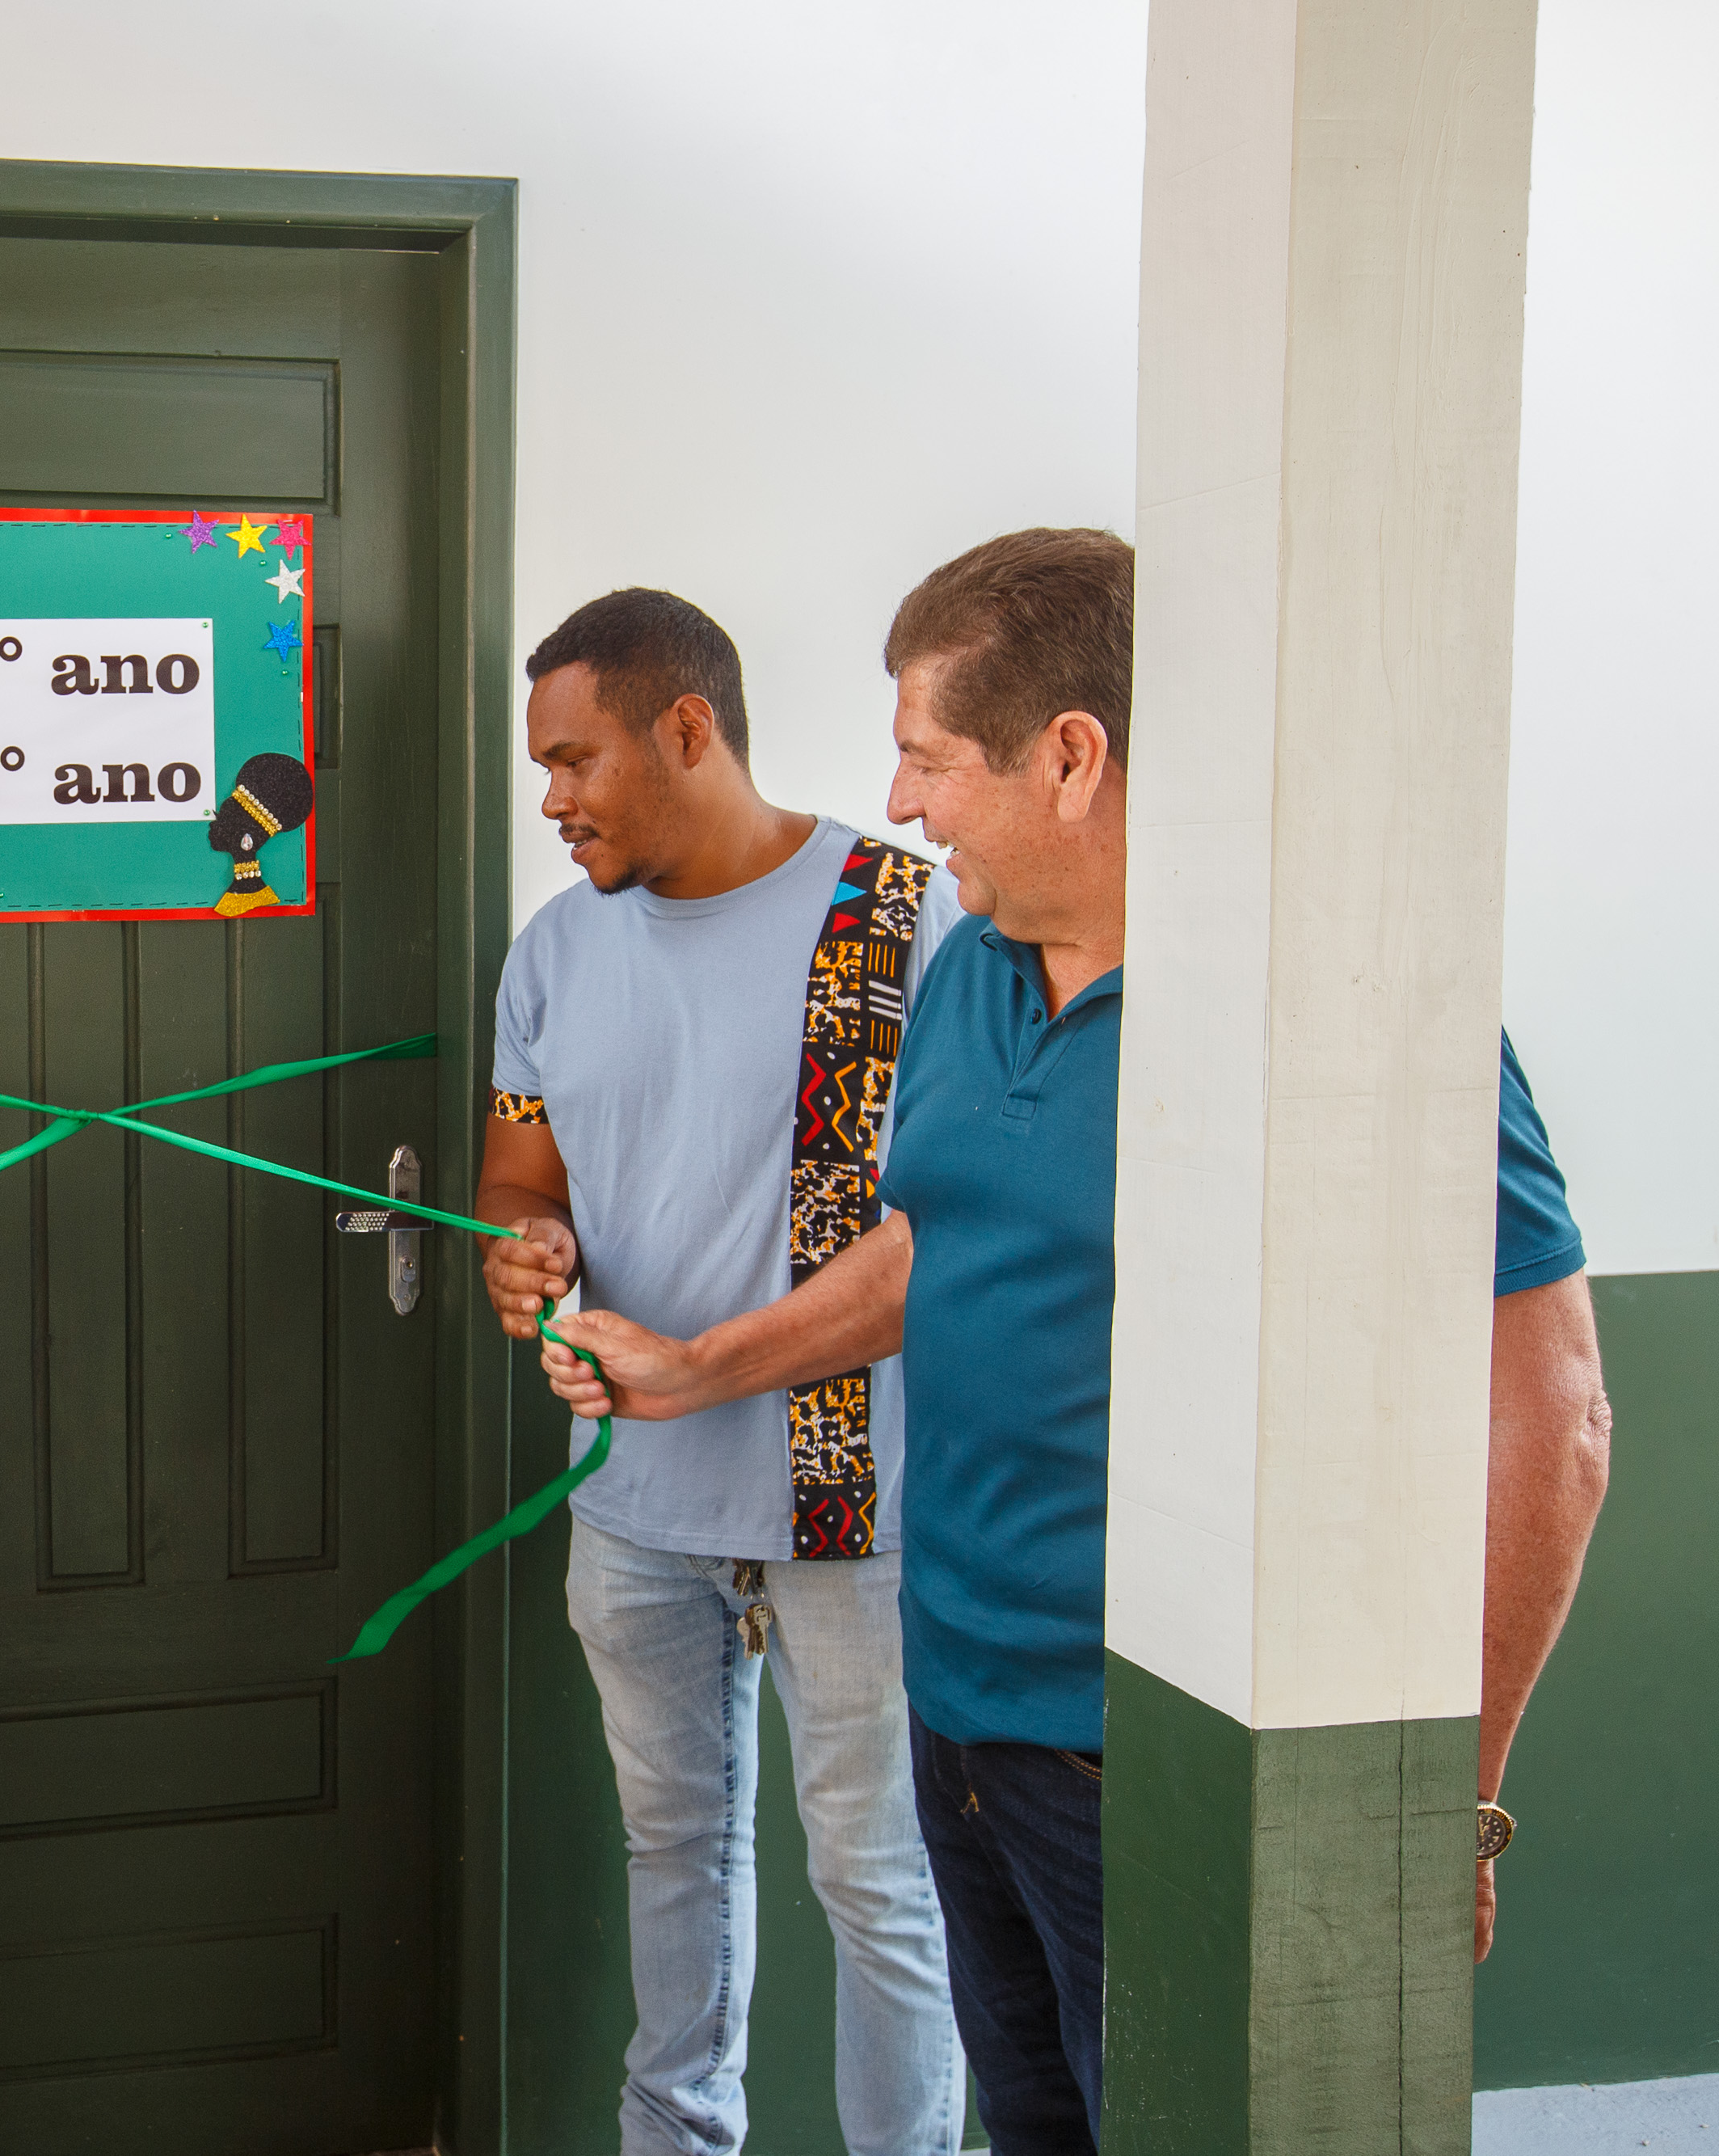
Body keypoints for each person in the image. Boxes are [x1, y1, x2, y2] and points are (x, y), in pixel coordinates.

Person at [543, 530, 1611, 2153]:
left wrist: (1441, 1796)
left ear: (1068, 757)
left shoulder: (1342, 1000)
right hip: (953, 1703)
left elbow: (1549, 1413)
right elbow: (924, 1242)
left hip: (1161, 1751)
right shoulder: (967, 967)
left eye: (925, 758)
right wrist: (701, 1365)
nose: (899, 805)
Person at [477, 588, 967, 2156]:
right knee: (673, 1852)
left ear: (685, 726)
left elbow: (932, 1234)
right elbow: (515, 1178)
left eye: (573, 759)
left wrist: (699, 1363)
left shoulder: (904, 914)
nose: (549, 798)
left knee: (877, 1883)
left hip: (859, 1506)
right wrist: (522, 1248)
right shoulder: (548, 951)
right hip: (630, 1510)